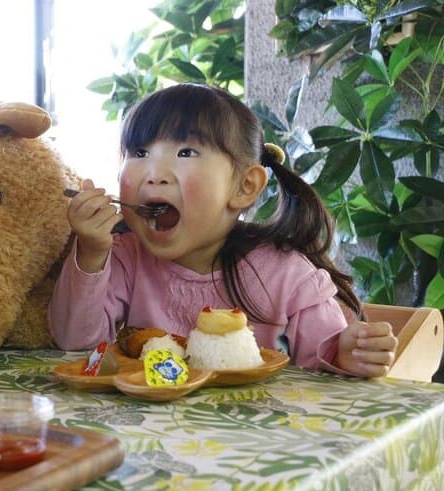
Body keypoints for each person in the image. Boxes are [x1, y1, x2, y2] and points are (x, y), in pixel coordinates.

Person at [48, 83, 397, 377]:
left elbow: (325, 365)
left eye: (186, 152)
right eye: (139, 152)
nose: (154, 172)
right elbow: (75, 345)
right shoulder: (125, 255)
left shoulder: (286, 275)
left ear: (244, 187)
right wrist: (92, 252)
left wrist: (346, 356)